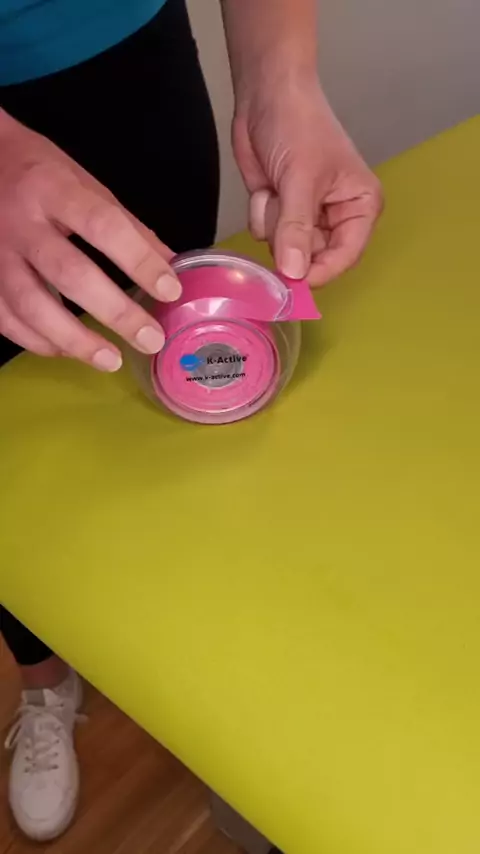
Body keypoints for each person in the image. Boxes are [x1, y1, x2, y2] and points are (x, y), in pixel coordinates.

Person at [0, 0, 383, 841]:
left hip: (115, 53)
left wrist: (281, 73)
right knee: (13, 479)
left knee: (173, 435)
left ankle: (196, 664)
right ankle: (44, 681)